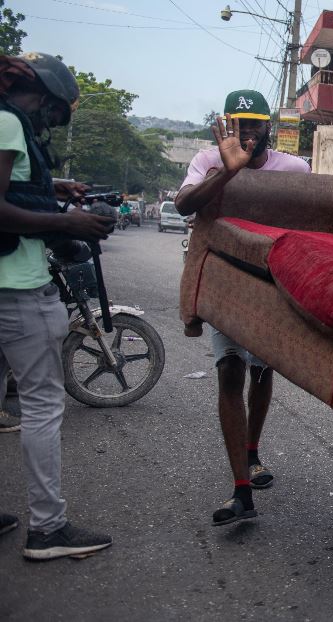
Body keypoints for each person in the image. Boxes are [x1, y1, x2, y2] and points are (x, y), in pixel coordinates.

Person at [175, 89, 311, 526]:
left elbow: (306, 222)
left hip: (270, 282)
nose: (248, 132)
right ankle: (241, 490)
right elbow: (184, 206)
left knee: (262, 370)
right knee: (229, 371)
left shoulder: (295, 167)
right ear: (226, 126)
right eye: (240, 124)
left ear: (269, 125)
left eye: (255, 123)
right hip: (224, 279)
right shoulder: (206, 160)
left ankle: (253, 453)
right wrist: (226, 172)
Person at [0, 52, 116, 559]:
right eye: (56, 112)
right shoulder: (7, 122)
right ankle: (48, 529)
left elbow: (13, 190)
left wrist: (53, 191)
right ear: (44, 98)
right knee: (44, 406)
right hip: (18, 289)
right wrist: (67, 223)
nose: (53, 122)